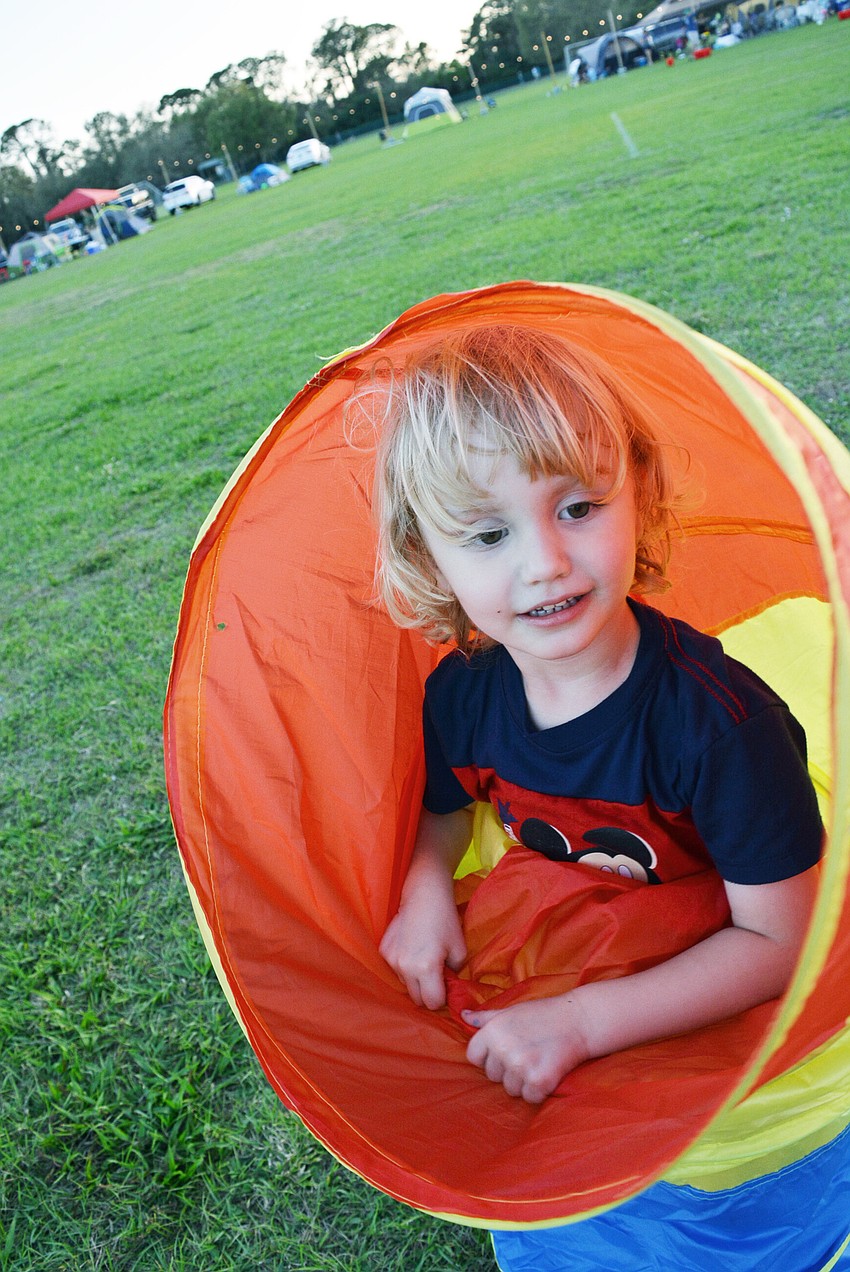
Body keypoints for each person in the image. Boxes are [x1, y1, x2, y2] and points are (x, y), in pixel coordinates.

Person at [368, 323, 822, 1108]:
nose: (544, 561)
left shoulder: (724, 731)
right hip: (576, 958)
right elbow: (443, 806)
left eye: (578, 507)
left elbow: (781, 943)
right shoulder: (464, 694)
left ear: (638, 491)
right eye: (487, 534)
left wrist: (579, 1022)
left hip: (704, 997)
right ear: (426, 555)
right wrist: (425, 885)